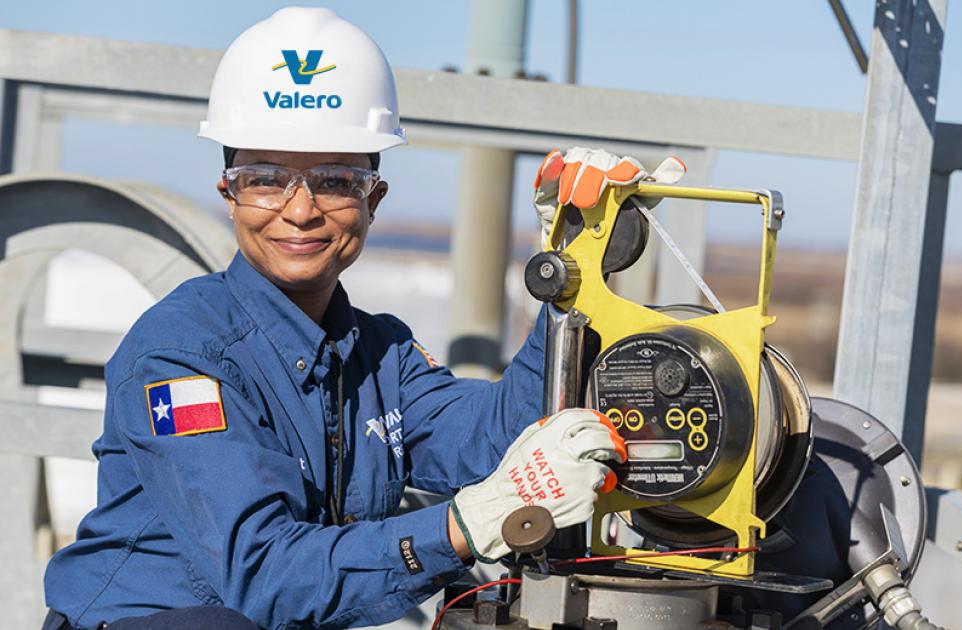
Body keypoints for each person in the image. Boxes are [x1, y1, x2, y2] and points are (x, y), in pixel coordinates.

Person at [41, 8, 650, 630]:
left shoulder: (379, 356)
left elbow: (496, 440)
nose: (300, 210)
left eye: (334, 181)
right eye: (266, 180)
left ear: (372, 200)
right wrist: (464, 526)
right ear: (230, 196)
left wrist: (574, 273)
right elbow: (264, 575)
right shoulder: (182, 358)